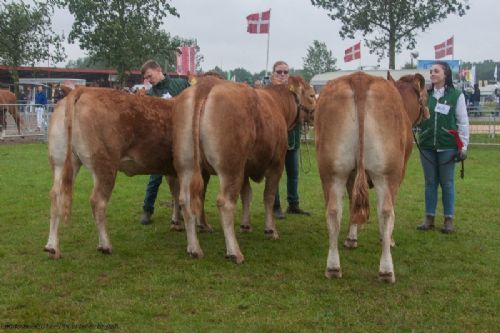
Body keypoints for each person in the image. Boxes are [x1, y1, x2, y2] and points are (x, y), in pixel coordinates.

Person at [416, 61, 469, 233]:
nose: (432, 74)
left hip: (448, 146)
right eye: (431, 71)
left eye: (436, 71)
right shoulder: (425, 95)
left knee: (447, 183)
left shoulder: (456, 95)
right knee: (430, 183)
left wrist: (464, 146)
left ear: (445, 74)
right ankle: (429, 218)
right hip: (426, 145)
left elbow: (463, 122)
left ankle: (448, 219)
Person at [139, 59, 190, 225]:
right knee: (155, 176)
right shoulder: (150, 94)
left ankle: (185, 209)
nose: (149, 80)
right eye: (146, 78)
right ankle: (147, 209)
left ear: (158, 69)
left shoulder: (181, 83)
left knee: (186, 175)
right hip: (161, 141)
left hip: (183, 137)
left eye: (149, 75)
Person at [270, 60, 310, 219]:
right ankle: (275, 206)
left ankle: (293, 204)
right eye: (279, 72)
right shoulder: (267, 90)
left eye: (285, 72)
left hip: (292, 137)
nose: (282, 75)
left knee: (293, 173)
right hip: (275, 138)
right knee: (275, 173)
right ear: (273, 73)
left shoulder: (294, 91)